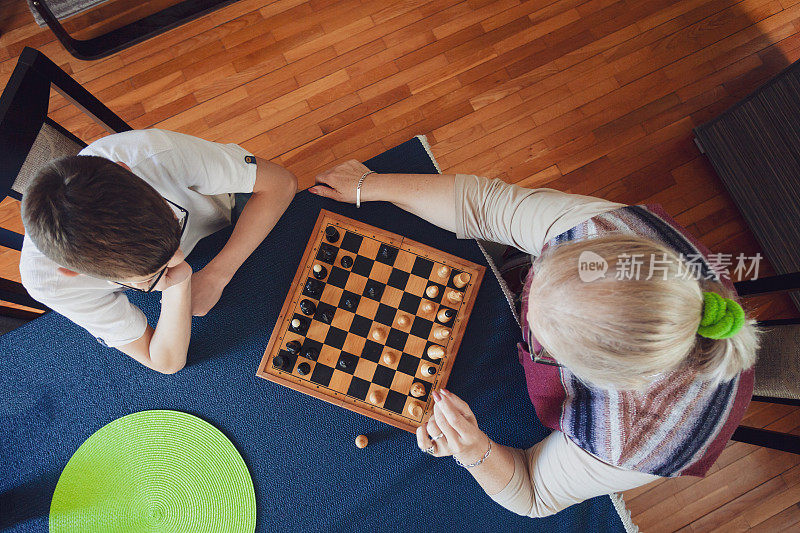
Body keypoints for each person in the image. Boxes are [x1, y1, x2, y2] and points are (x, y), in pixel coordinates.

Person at [310, 160, 758, 517]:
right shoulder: (606, 234)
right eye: (543, 272)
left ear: (589, 376)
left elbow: (533, 495)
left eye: (542, 341)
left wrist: (476, 451)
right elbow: (483, 205)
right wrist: (370, 184)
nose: (524, 299)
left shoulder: (635, 440)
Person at [20, 129, 296, 374]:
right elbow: (165, 362)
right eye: (149, 275)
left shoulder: (155, 152)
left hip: (228, 223)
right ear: (71, 272)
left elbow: (281, 183)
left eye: (174, 225)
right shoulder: (49, 283)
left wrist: (216, 274)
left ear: (126, 169)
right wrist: (180, 279)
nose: (177, 257)